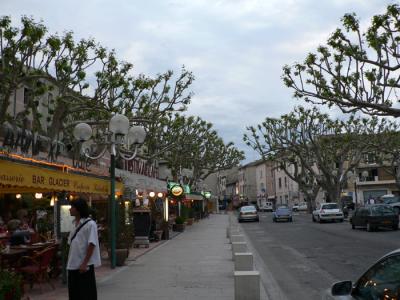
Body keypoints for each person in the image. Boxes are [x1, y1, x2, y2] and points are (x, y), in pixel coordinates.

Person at [67, 198, 101, 300]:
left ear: (78, 209)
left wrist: (84, 263)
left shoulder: (90, 224)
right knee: (74, 294)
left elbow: (92, 244)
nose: (70, 209)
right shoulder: (74, 224)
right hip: (72, 265)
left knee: (86, 294)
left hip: (84, 266)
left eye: (72, 207)